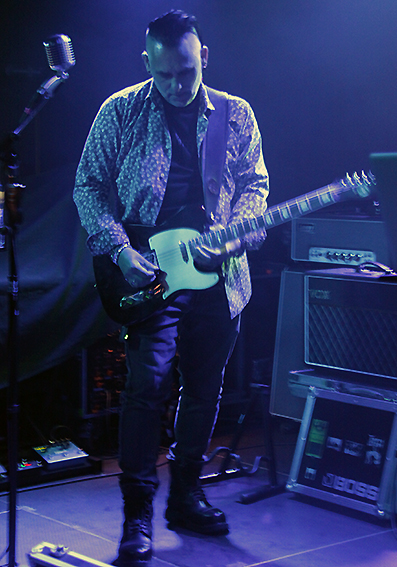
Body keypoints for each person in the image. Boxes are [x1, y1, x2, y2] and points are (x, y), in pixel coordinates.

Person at [73, 9, 269, 566]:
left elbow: (255, 186)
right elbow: (89, 187)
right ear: (146, 63)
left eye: (186, 71)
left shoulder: (236, 114)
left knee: (204, 389)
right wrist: (119, 251)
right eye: (164, 75)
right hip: (150, 274)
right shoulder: (119, 111)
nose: (177, 85)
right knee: (147, 386)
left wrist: (234, 238)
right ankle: (137, 514)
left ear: (203, 56)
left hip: (218, 278)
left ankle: (185, 496)